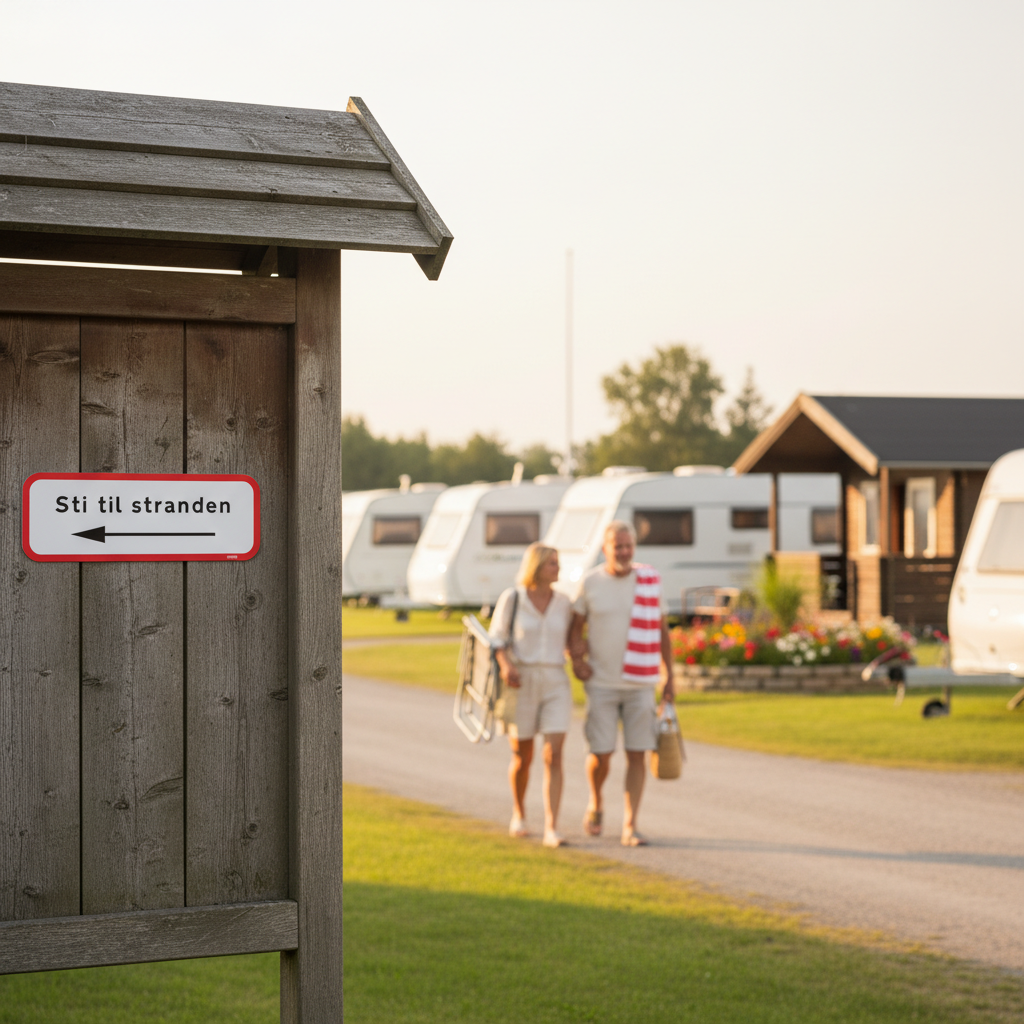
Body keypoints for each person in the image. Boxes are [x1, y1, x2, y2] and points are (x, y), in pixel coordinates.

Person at [569, 521, 675, 847]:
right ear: (606, 549)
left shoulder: (649, 581)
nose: (625, 552)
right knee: (600, 754)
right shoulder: (590, 583)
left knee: (637, 754)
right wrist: (576, 660)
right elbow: (575, 628)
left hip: (641, 682)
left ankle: (631, 824)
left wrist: (669, 675)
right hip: (601, 683)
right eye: (619, 547)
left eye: (629, 546)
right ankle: (596, 801)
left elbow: (662, 632)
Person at [489, 542, 574, 848]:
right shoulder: (513, 598)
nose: (558, 568)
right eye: (552, 563)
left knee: (554, 754)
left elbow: (575, 639)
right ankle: (520, 812)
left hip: (554, 679)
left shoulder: (565, 602)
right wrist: (505, 665)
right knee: (522, 756)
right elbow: (496, 639)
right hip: (520, 681)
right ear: (537, 567)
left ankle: (552, 825)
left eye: (558, 562)